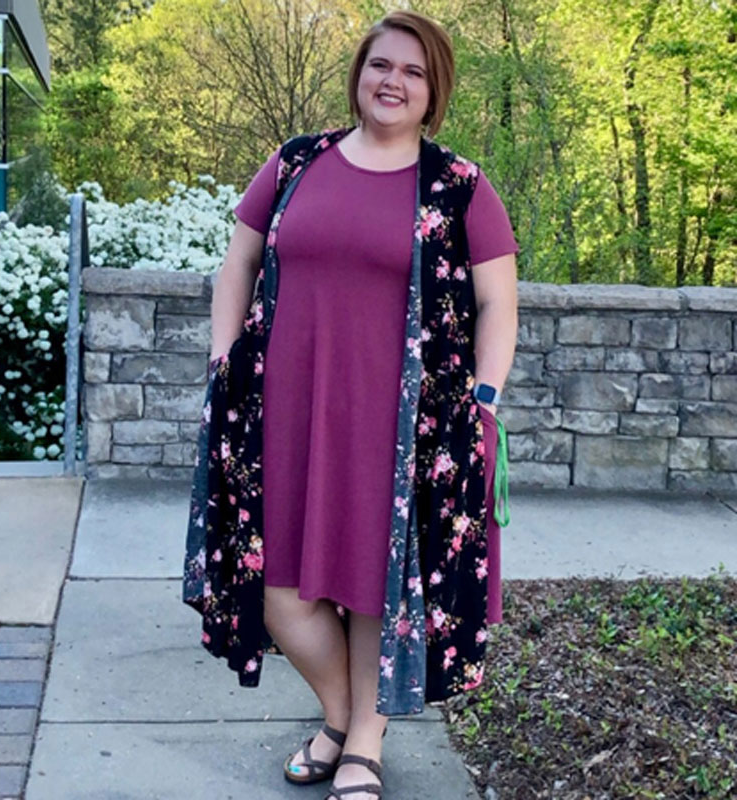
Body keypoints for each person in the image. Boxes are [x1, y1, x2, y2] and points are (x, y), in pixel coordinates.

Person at [185, 10, 518, 800]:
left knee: (375, 579)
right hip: (281, 408)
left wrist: (484, 399)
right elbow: (239, 262)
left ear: (433, 90)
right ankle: (343, 712)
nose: (392, 81)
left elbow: (498, 304)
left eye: (412, 71)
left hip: (403, 421)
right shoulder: (298, 161)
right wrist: (224, 356)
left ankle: (361, 740)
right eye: (380, 65)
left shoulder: (460, 186)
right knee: (278, 589)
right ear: (359, 74)